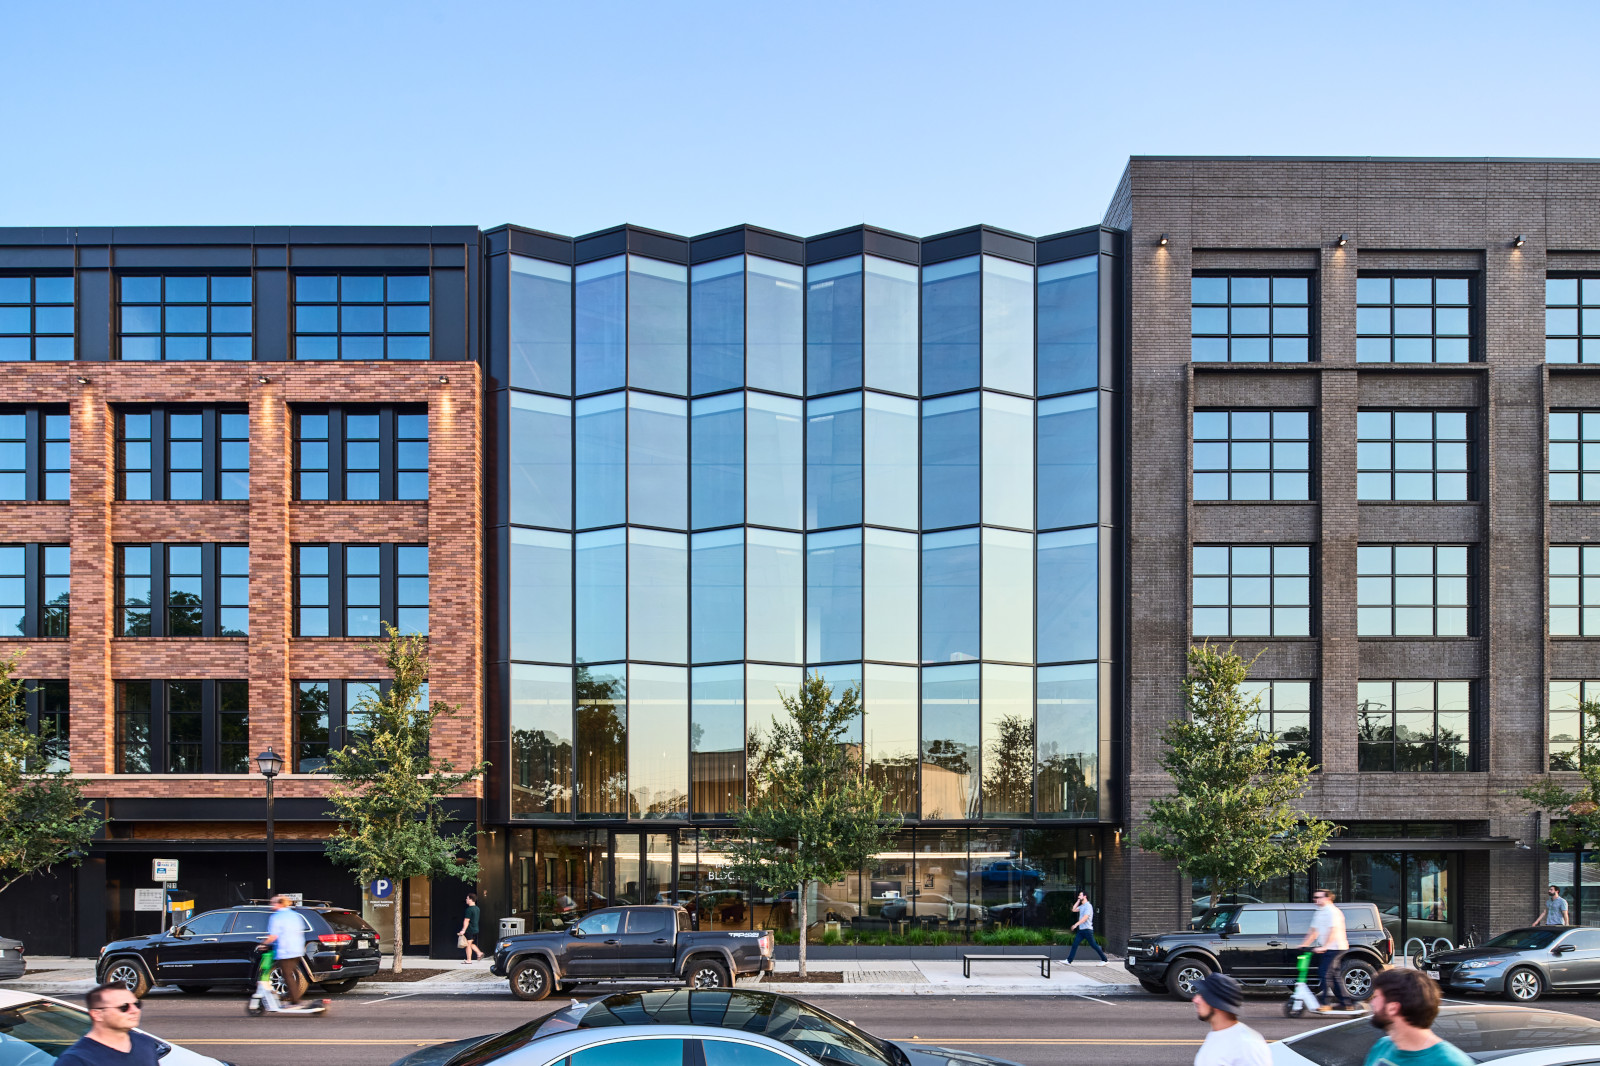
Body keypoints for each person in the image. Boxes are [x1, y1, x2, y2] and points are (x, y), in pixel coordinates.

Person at [1363, 968, 1472, 1066]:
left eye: (1376, 996)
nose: (1372, 1003)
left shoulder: (1451, 1062)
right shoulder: (1382, 1046)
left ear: (1393, 1008)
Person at [55, 983, 163, 1066]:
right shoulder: (75, 1060)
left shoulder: (145, 1042)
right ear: (97, 1014)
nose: (135, 1010)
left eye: (136, 1004)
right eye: (124, 1007)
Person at [1190, 972, 1270, 1066]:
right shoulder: (1216, 1035)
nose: (1195, 1000)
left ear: (1216, 1003)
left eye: (1203, 996)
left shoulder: (1248, 1045)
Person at [1298, 888, 1350, 1012]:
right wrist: (1303, 945)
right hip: (1328, 948)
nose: (1315, 900)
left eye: (1319, 897)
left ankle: (1325, 1003)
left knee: (1324, 973)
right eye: (1314, 897)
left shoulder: (1333, 912)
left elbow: (1334, 931)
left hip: (1336, 947)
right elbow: (1313, 931)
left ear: (1327, 898)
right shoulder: (1319, 911)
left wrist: (1325, 946)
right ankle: (1346, 1003)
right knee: (1334, 975)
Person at [263, 893, 309, 1004]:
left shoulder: (277, 917)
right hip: (297, 949)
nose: (271, 905)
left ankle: (295, 1001)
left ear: (279, 904)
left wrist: (263, 944)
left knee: (287, 975)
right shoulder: (295, 915)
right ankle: (295, 999)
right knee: (290, 974)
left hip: (285, 950)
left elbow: (273, 935)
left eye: (273, 903)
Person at [1067, 890, 1108, 965]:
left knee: (1094, 945)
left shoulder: (1088, 906)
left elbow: (1085, 918)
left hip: (1087, 930)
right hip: (1081, 930)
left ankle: (1104, 960)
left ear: (1085, 896)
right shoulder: (1082, 906)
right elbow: (1073, 909)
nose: (1078, 896)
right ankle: (1069, 961)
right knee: (1075, 944)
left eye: (1080, 895)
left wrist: (1076, 925)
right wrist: (1078, 901)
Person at [459, 891, 483, 962]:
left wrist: (463, 930)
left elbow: (466, 920)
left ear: (470, 899)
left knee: (468, 945)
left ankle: (469, 960)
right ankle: (479, 953)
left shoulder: (469, 910)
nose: (466, 900)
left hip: (470, 930)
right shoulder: (477, 908)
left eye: (467, 898)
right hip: (475, 929)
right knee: (470, 943)